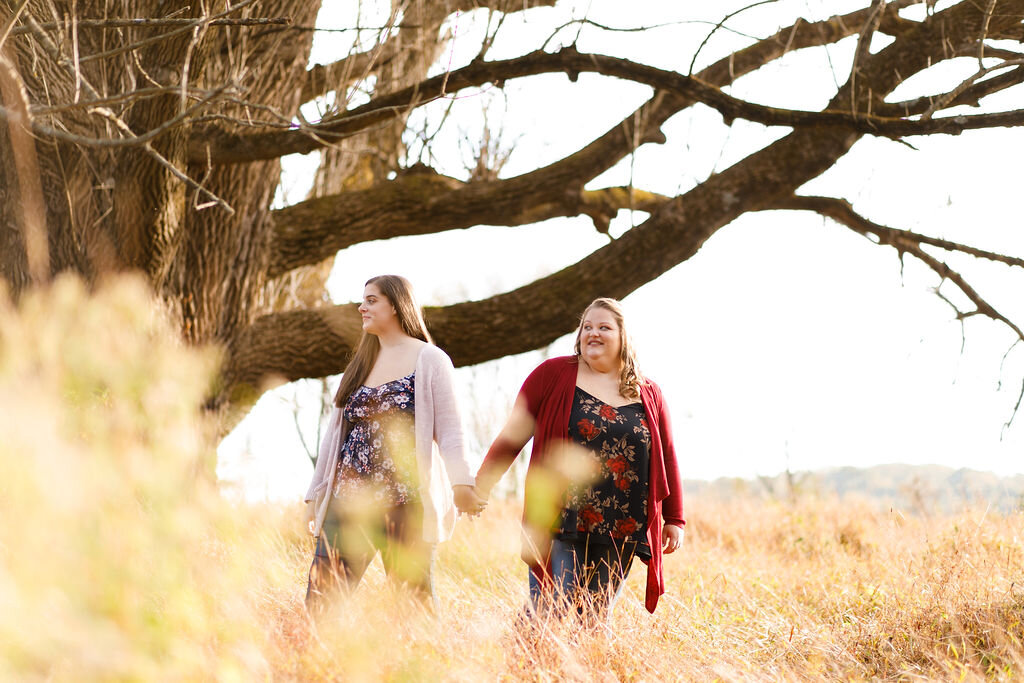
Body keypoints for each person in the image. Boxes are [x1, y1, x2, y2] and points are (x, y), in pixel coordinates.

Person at [475, 297, 684, 618]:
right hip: (561, 519)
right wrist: (481, 485)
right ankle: (526, 666)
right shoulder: (553, 374)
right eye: (587, 326)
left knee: (595, 620)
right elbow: (513, 433)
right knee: (550, 608)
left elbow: (666, 454)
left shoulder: (647, 391)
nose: (593, 333)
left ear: (623, 336)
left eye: (604, 327)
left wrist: (674, 518)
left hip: (623, 526)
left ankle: (581, 670)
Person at [304, 274, 485, 611]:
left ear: (398, 305)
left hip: (405, 505)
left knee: (412, 609)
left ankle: (426, 664)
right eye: (363, 300)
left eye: (371, 300)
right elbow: (333, 440)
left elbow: (451, 431)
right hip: (348, 504)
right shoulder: (359, 366)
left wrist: (462, 483)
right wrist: (315, 495)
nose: (362, 307)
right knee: (321, 603)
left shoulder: (430, 360)